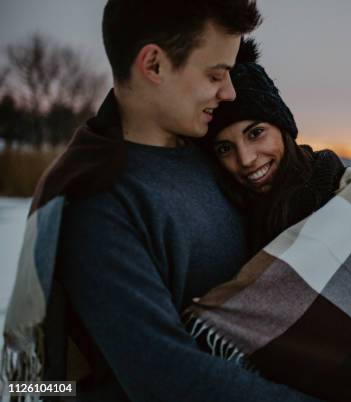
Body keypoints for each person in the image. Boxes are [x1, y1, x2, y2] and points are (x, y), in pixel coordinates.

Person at [1, 1, 322, 401]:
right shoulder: (100, 201)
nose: (229, 91)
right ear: (153, 65)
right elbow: (167, 377)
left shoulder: (211, 153)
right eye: (215, 74)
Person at [183, 44, 351, 402]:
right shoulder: (235, 211)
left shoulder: (337, 197)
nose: (247, 159)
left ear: (283, 128)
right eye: (224, 148)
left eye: (255, 133)